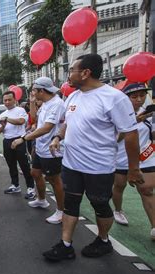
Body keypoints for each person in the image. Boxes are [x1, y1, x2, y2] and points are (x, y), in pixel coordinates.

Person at [43, 54, 144, 261]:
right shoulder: (73, 96)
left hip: (99, 167)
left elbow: (131, 135)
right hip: (71, 164)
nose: (68, 74)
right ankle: (66, 244)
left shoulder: (114, 98)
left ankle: (103, 240)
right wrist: (57, 137)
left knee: (100, 205)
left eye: (71, 70)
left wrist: (133, 169)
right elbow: (68, 123)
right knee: (70, 203)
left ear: (86, 73)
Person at [11, 77, 66, 224]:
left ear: (42, 90)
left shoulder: (57, 104)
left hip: (52, 150)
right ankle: (41, 200)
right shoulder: (46, 103)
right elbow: (34, 119)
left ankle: (61, 212)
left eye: (35, 90)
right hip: (41, 147)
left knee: (55, 180)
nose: (33, 92)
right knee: (35, 173)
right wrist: (31, 101)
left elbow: (47, 127)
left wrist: (24, 139)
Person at [112, 83, 155, 240]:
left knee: (147, 190)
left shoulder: (149, 114)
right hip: (122, 159)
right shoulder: (115, 115)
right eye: (134, 96)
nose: (139, 99)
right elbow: (114, 140)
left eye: (142, 95)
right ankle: (118, 210)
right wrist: (131, 123)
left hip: (146, 158)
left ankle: (154, 227)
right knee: (119, 186)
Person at [0, 91, 35, 199]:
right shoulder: (2, 114)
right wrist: (3, 125)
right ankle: (15, 185)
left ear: (15, 100)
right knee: (11, 165)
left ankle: (31, 188)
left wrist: (7, 120)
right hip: (7, 141)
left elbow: (21, 121)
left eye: (9, 99)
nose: (7, 102)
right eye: (5, 100)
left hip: (20, 140)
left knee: (24, 165)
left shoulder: (20, 110)